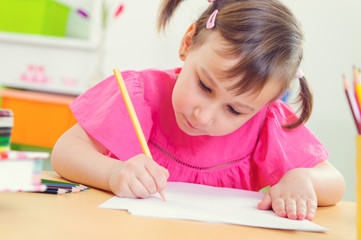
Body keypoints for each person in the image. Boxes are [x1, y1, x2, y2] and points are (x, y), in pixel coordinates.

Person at [51, 0, 345, 221]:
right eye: (204, 86)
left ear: (262, 106)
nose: (203, 116)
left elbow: (335, 184)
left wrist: (304, 180)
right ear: (187, 42)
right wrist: (112, 172)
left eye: (234, 109)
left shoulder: (265, 122)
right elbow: (65, 151)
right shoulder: (138, 93)